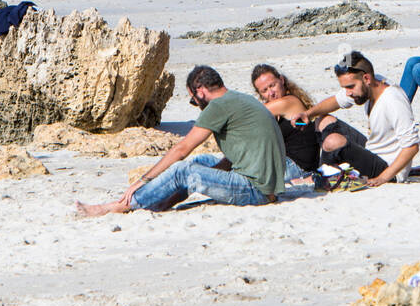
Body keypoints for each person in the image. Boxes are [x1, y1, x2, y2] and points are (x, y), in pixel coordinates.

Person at [76, 66, 286, 216]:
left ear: (200, 92)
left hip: (256, 191)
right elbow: (234, 157)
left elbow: (182, 149)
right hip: (268, 188)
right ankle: (163, 202)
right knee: (204, 160)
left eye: (193, 100)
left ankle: (122, 205)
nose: (196, 104)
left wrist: (142, 181)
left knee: (183, 170)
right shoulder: (241, 99)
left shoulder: (218, 106)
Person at [291, 51, 420, 186]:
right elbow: (336, 101)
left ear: (367, 78)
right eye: (345, 88)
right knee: (323, 120)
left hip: (387, 168)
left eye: (350, 87)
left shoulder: (393, 99)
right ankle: (329, 170)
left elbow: (412, 146)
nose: (348, 93)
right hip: (372, 151)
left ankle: (322, 175)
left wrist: (382, 178)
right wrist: (308, 114)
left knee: (332, 141)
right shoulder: (371, 85)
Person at [250, 63, 387, 181]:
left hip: (298, 168)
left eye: (272, 85)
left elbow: (249, 115)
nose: (271, 93)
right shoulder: (274, 112)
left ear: (281, 80)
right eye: (264, 90)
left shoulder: (288, 102)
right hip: (292, 164)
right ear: (260, 94)